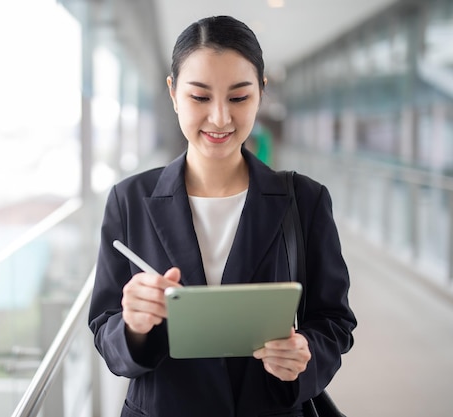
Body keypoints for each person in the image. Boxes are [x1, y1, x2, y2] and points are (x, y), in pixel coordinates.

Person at [88, 15, 356, 417]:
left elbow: (333, 320)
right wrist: (132, 326)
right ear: (174, 93)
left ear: (261, 94)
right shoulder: (130, 200)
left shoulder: (304, 199)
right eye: (199, 98)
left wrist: (305, 354)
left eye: (238, 97)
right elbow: (104, 327)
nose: (220, 118)